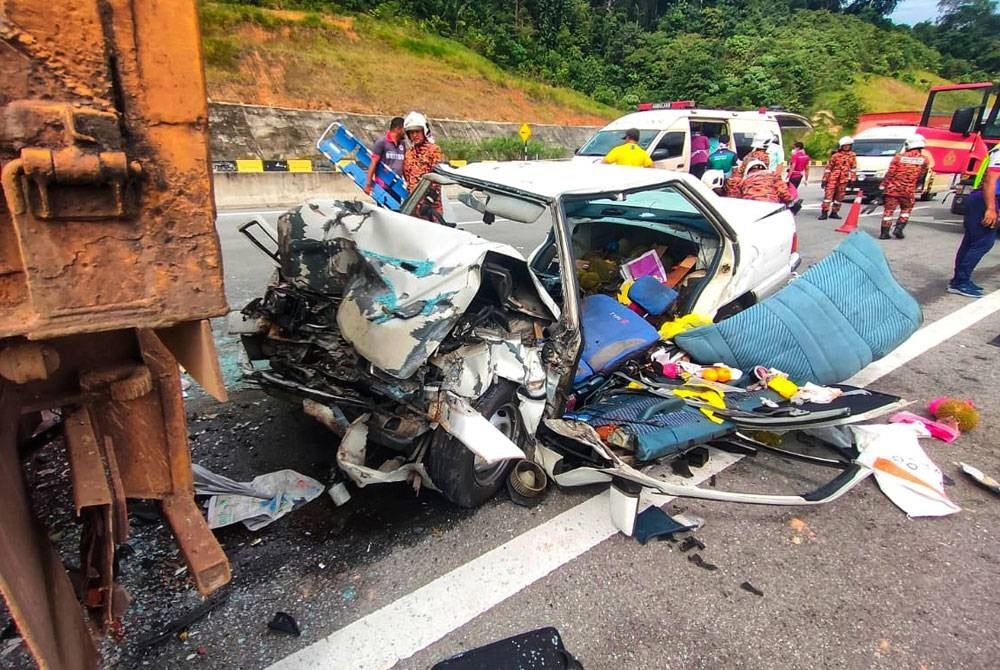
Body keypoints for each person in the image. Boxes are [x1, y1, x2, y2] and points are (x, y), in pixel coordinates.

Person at [948, 145, 999, 298]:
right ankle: (960, 282)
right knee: (982, 243)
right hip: (983, 201)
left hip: (985, 200)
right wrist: (990, 208)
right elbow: (990, 180)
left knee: (972, 242)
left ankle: (959, 280)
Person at [878, 134, 931, 240]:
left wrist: (883, 186)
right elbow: (922, 176)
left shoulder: (898, 157)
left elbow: (890, 173)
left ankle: (884, 233)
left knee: (888, 211)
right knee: (906, 210)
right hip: (908, 190)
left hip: (893, 190)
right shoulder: (924, 160)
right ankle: (899, 229)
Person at [401, 111, 444, 220]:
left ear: (424, 131)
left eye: (417, 131)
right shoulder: (408, 153)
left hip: (430, 207)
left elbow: (438, 178)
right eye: (411, 133)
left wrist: (429, 200)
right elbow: (407, 177)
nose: (414, 135)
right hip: (412, 206)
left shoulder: (434, 150)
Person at [364, 116, 406, 196]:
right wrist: (368, 184)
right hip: (383, 185)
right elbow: (373, 163)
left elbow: (403, 165)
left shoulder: (402, 144)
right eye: (404, 129)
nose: (405, 132)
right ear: (398, 128)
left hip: (397, 186)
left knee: (396, 208)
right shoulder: (382, 142)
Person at [818, 136, 857, 220]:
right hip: (832, 178)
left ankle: (834, 212)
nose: (847, 147)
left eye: (848, 145)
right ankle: (824, 212)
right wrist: (824, 179)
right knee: (828, 196)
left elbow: (853, 168)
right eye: (845, 145)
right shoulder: (835, 155)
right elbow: (829, 168)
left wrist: (853, 179)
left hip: (844, 179)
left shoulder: (852, 155)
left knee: (840, 197)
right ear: (841, 146)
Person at [725, 160, 794, 205]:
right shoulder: (773, 176)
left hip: (750, 208)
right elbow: (783, 192)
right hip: (772, 206)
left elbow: (734, 198)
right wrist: (790, 202)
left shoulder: (743, 180)